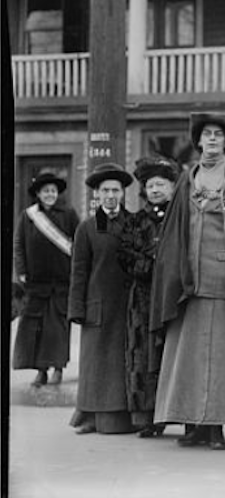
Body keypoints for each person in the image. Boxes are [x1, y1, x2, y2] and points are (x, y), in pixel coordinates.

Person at [150, 112, 225, 450]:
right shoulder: (187, 178)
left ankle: (214, 428)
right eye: (206, 135)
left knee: (219, 358)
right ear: (198, 141)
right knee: (188, 357)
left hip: (222, 281)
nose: (211, 140)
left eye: (218, 135)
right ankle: (191, 423)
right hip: (187, 282)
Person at [68, 163, 136, 434]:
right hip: (97, 307)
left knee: (121, 363)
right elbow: (79, 271)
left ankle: (121, 419)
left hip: (127, 307)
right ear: (97, 194)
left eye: (115, 190)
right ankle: (91, 418)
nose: (110, 195)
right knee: (95, 364)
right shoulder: (86, 228)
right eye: (105, 190)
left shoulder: (132, 223)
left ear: (122, 194)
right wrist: (77, 308)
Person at [117, 156, 180, 437]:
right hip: (142, 296)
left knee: (170, 352)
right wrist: (152, 263)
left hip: (172, 296)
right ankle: (146, 417)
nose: (155, 190)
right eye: (150, 185)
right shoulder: (135, 221)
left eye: (161, 184)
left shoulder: (180, 219)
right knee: (142, 354)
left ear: (171, 187)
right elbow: (125, 255)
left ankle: (172, 413)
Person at [13, 172, 80, 387]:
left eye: (53, 191)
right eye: (45, 191)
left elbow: (79, 245)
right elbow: (19, 245)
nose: (49, 194)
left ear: (57, 193)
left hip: (62, 283)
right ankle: (41, 371)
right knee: (36, 329)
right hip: (36, 284)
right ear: (39, 194)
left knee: (58, 329)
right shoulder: (28, 216)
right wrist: (21, 270)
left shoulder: (68, 214)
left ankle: (58, 369)